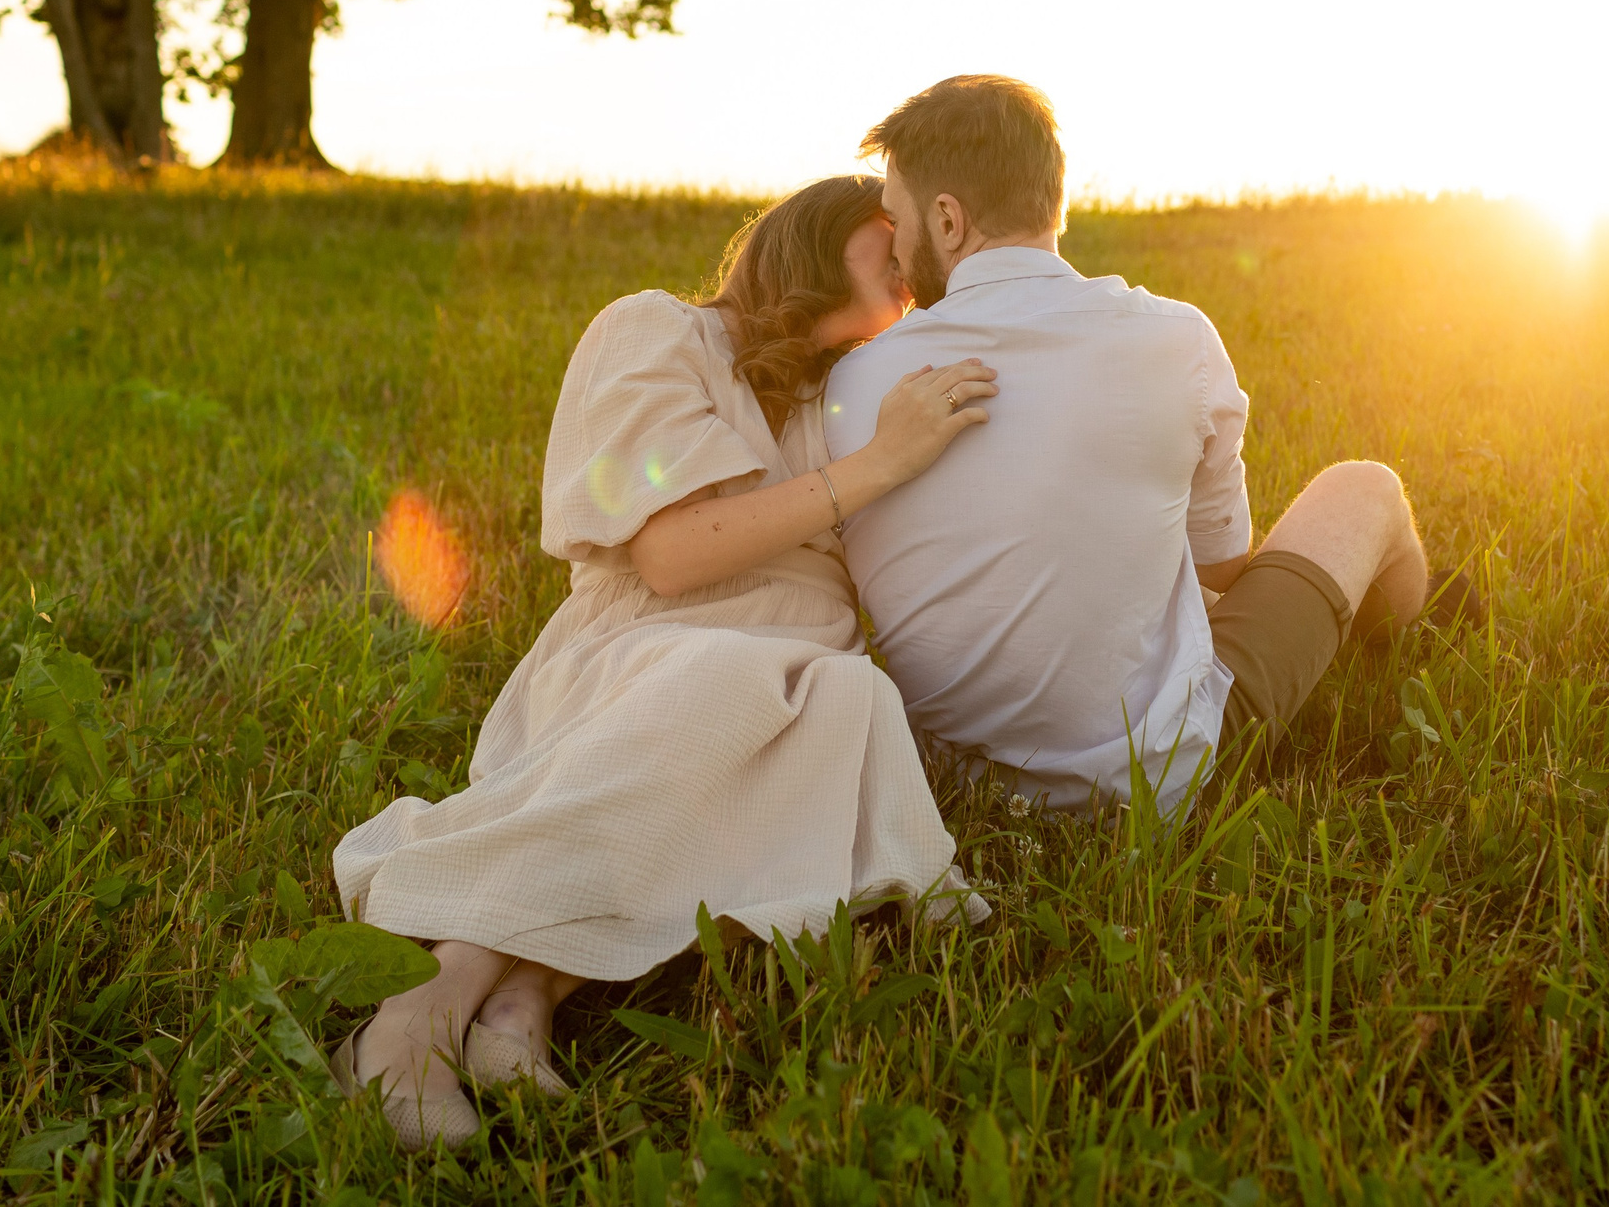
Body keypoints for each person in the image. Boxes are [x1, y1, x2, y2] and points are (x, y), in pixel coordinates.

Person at [330, 176, 997, 1149]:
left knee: (847, 696)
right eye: (885, 239)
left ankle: (521, 1005)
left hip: (806, 660)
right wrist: (881, 464)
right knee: (725, 683)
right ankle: (419, 1010)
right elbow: (673, 552)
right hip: (648, 646)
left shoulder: (856, 388)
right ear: (814, 235)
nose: (909, 270)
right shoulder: (660, 332)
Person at [825, 76, 1454, 812]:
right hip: (1153, 780)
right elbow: (1222, 566)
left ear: (948, 219)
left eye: (895, 221)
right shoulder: (1175, 337)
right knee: (1366, 489)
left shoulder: (854, 381)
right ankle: (1413, 632)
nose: (895, 251)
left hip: (948, 786)